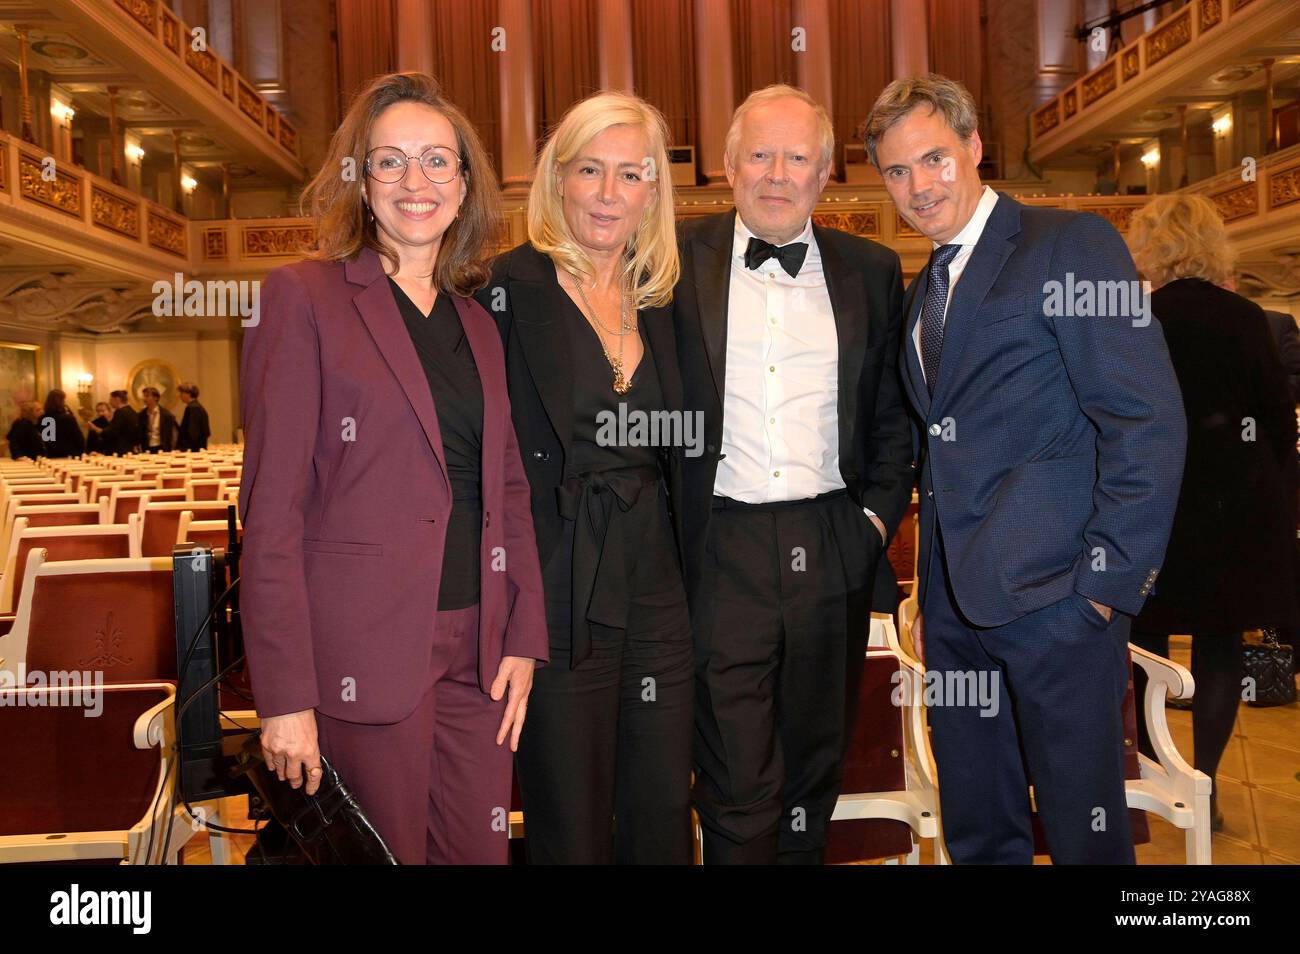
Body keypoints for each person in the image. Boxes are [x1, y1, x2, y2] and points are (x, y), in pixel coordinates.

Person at [867, 73, 1186, 864]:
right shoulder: (922, 291)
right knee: (980, 829)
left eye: (935, 158)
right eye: (898, 171)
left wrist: (1105, 591)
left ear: (974, 147)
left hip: (1059, 607)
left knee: (1086, 835)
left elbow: (1147, 418)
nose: (919, 186)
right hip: (952, 612)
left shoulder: (1069, 245)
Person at [239, 71, 547, 865]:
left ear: (466, 183)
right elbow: (271, 511)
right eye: (391, 161)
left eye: (438, 161)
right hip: (359, 658)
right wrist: (285, 698)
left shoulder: (478, 324)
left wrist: (521, 632)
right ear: (359, 180)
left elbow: (506, 487)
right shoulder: (303, 297)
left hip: (478, 654)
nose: (417, 182)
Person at [675, 85, 913, 864]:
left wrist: (871, 526)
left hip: (831, 540)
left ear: (827, 175)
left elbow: (891, 419)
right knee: (736, 774)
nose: (778, 174)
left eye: (798, 157)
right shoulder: (673, 262)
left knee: (815, 767)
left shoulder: (873, 271)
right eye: (760, 155)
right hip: (721, 545)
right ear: (728, 166)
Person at [478, 92, 693, 864]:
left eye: (631, 175)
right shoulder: (504, 291)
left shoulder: (668, 296)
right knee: (569, 811)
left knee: (664, 800)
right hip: (557, 579)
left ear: (653, 192)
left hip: (660, 582)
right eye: (590, 171)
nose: (609, 194)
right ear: (556, 180)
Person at [1126, 194, 1299, 832]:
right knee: (1220, 648)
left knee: (1145, 644)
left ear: (1151, 247)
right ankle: (1208, 784)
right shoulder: (1249, 318)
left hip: (1156, 508)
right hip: (1235, 512)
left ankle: (1147, 781)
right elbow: (1280, 424)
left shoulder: (1139, 319)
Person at [41, 388, 85, 458]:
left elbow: (47, 440)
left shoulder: (45, 419)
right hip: (70, 453)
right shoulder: (68, 418)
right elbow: (79, 439)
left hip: (53, 455)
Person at [137, 386, 179, 453]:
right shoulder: (142, 414)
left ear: (155, 398)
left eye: (147, 396)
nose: (144, 399)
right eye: (144, 396)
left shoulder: (166, 414)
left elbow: (171, 434)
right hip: (147, 447)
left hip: (162, 447)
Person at [176, 383, 212, 451]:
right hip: (198, 447)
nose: (180, 396)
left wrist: (184, 447)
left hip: (193, 449)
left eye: (181, 393)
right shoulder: (197, 407)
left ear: (188, 394)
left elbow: (192, 432)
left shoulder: (192, 408)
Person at [104, 390, 139, 455]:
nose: (109, 402)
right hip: (131, 448)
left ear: (117, 399)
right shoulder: (132, 411)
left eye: (111, 400)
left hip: (121, 449)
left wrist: (99, 430)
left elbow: (114, 430)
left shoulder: (120, 412)